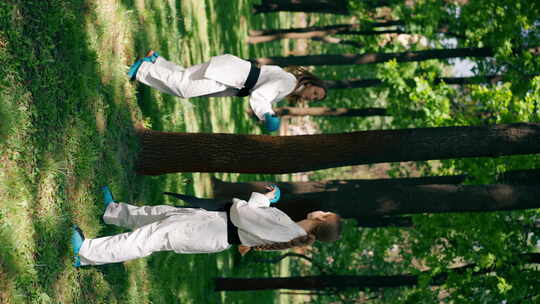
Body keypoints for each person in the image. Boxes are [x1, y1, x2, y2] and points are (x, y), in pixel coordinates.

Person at [71, 186, 341, 266]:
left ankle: (86, 253)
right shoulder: (289, 227)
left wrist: (263, 198)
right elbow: (259, 222)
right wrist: (267, 202)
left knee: (151, 237)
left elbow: (246, 215)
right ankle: (113, 212)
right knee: (160, 215)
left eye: (326, 213)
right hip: (213, 225)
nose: (322, 209)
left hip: (213, 231)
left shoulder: (288, 229)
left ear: (319, 220)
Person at [127, 52, 328, 132]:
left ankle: (155, 61)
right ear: (311, 83)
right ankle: (144, 69)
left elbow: (262, 96)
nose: (312, 98)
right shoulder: (289, 82)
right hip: (231, 75)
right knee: (184, 87)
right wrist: (267, 114)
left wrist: (264, 115)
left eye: (316, 99)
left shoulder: (288, 87)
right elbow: (261, 96)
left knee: (186, 80)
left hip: (232, 79)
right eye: (316, 93)